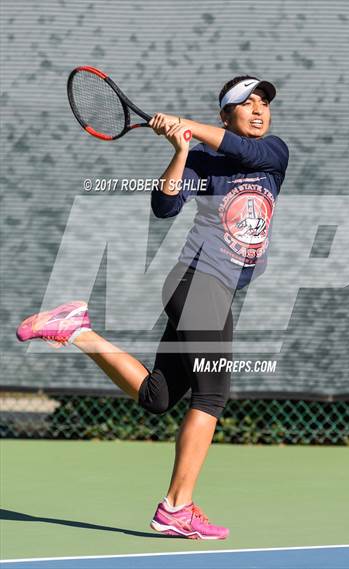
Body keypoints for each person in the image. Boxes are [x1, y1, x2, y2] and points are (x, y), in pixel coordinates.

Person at [16, 75, 289, 540]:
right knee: (212, 394)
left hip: (211, 289)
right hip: (198, 282)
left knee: (158, 397)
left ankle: (75, 329)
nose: (259, 109)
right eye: (247, 104)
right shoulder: (203, 161)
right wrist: (181, 149)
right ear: (227, 114)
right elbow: (164, 206)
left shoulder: (273, 154)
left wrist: (188, 126)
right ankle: (175, 508)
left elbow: (248, 152)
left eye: (264, 102)